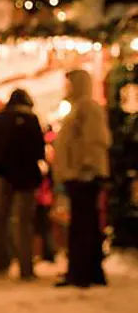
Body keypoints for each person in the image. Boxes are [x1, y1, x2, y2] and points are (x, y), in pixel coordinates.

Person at [53, 69, 111, 288]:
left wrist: (86, 169)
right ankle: (87, 271)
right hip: (78, 175)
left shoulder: (87, 108)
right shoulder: (80, 107)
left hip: (83, 177)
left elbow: (94, 141)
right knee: (84, 224)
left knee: (82, 225)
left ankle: (82, 273)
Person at [0, 89, 45, 280]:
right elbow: (39, 150)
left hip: (2, 177)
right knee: (24, 222)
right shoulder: (31, 120)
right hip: (26, 178)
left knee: (0, 220)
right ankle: (26, 268)